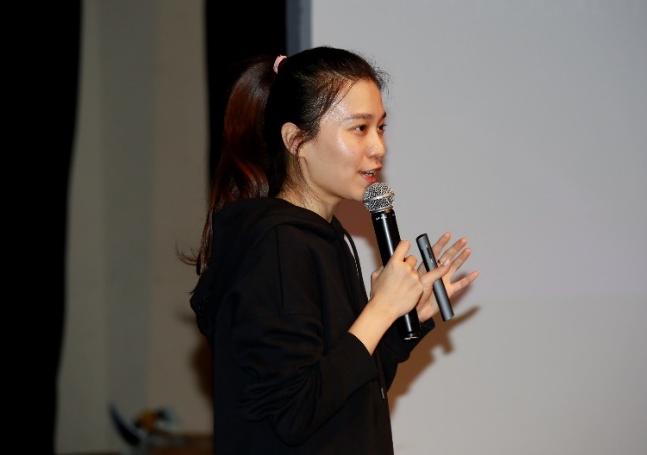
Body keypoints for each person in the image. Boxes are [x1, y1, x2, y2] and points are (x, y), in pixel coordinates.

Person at [181, 46, 480, 454]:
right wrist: (379, 311)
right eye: (359, 128)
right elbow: (294, 412)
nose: (379, 147)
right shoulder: (278, 245)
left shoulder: (327, 238)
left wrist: (396, 327)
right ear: (296, 140)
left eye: (381, 127)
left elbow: (346, 398)